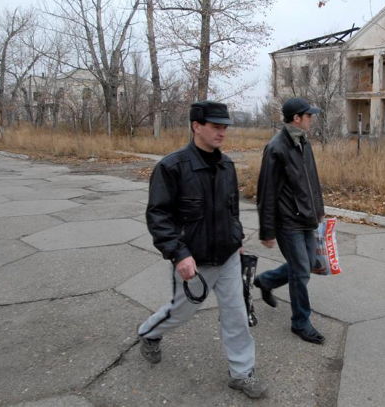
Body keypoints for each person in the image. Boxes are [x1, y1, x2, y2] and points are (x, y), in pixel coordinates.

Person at [137, 100, 267, 399]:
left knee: (236, 314)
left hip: (228, 257)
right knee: (180, 313)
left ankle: (242, 372)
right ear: (197, 126)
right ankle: (149, 333)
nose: (222, 132)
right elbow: (158, 216)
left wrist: (237, 242)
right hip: (194, 261)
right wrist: (178, 253)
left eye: (224, 127)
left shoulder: (226, 165)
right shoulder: (171, 167)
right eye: (216, 126)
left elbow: (231, 211)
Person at [254, 97, 326, 345]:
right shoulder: (276, 147)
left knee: (305, 266)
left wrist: (319, 209)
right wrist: (267, 231)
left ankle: (266, 280)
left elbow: (312, 180)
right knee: (301, 272)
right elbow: (266, 192)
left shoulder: (303, 141)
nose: (312, 119)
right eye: (309, 116)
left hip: (306, 217)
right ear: (296, 118)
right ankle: (300, 323)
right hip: (288, 222)